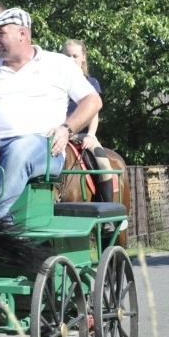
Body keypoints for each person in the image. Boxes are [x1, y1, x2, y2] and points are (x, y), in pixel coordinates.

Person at [0, 8, 102, 221]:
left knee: (22, 148)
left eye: (1, 33)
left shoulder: (58, 64)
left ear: (22, 34)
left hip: (42, 146)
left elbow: (92, 100)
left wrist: (66, 129)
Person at [61, 39, 115, 228]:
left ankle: (108, 214)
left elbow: (94, 113)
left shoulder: (90, 82)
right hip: (58, 134)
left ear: (83, 58)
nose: (71, 59)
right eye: (67, 55)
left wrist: (91, 135)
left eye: (75, 56)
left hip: (83, 135)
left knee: (102, 162)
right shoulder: (56, 81)